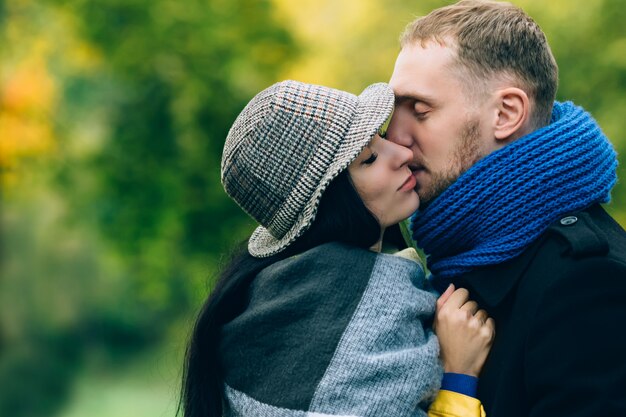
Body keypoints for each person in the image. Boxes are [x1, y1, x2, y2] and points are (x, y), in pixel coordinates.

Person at [180, 80, 495, 417]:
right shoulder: (341, 317)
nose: (402, 153)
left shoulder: (281, 298)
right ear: (330, 203)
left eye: (382, 138)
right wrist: (459, 375)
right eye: (370, 159)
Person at [385, 1, 626, 416]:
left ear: (506, 113)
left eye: (420, 111)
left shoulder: (586, 281)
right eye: (392, 113)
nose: (395, 138)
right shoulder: (458, 255)